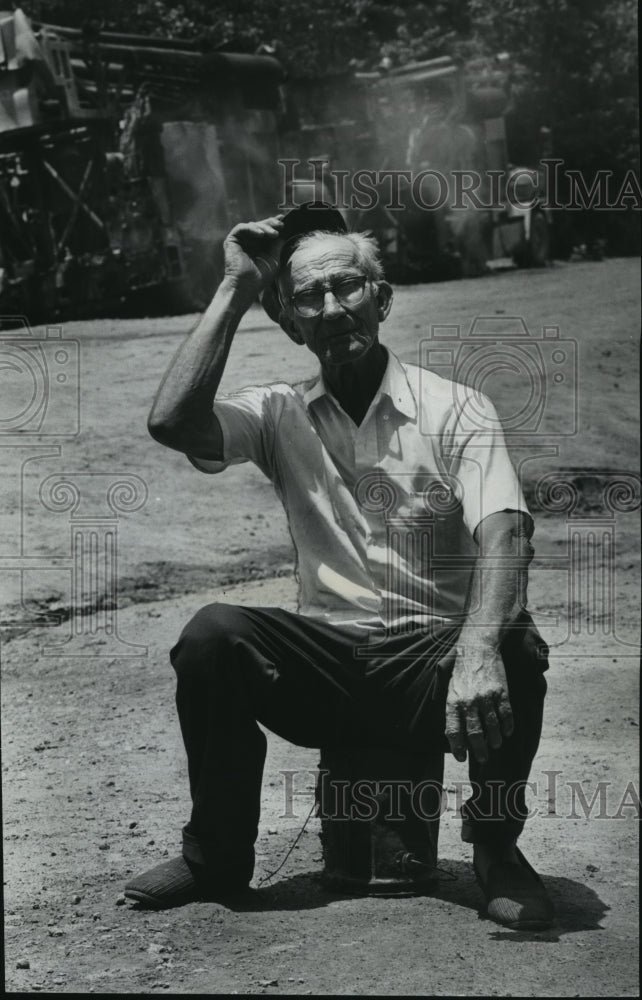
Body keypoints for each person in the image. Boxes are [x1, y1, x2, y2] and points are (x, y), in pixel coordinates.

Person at [125, 203, 554, 929]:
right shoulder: (277, 412)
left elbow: (507, 536)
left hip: (432, 670)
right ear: (291, 323)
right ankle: (216, 858)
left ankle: (497, 849)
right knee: (211, 635)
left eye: (347, 287)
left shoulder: (456, 409)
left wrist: (477, 649)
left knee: (513, 642)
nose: (331, 307)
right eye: (308, 297)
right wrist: (234, 286)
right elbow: (173, 422)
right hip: (326, 668)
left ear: (380, 300)